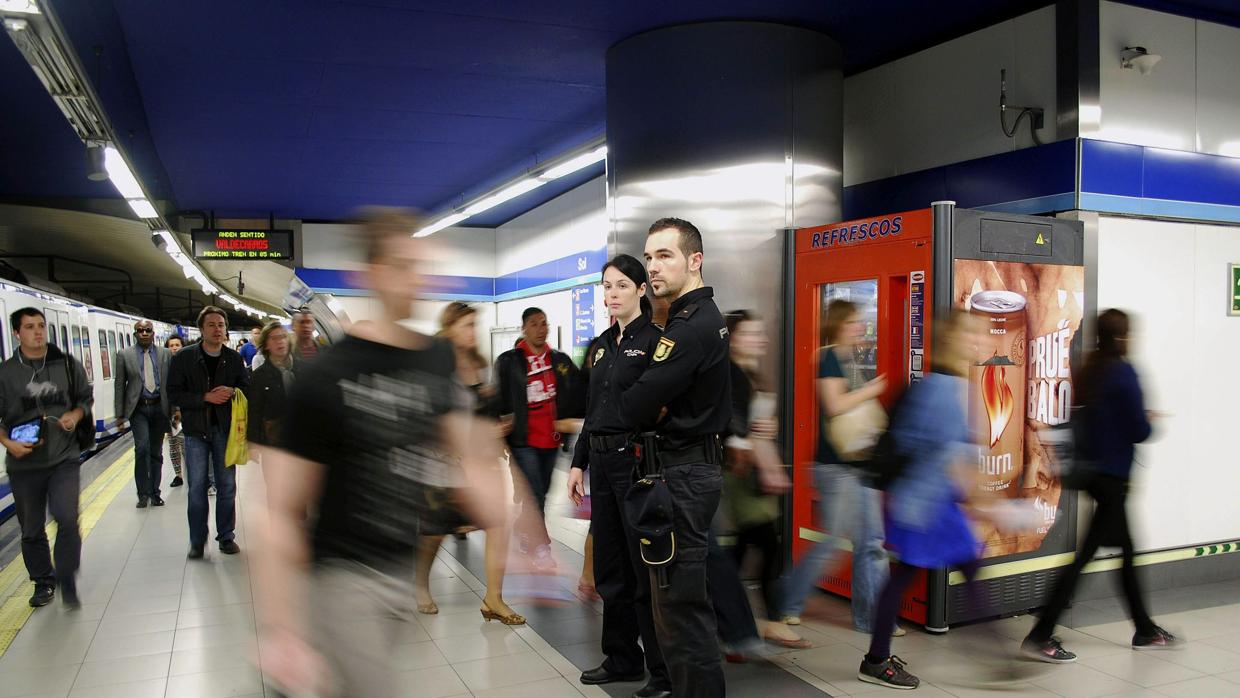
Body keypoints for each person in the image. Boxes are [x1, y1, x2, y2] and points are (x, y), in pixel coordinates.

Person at [254, 208, 507, 697]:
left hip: (397, 564)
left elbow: (465, 443)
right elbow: (281, 509)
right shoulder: (326, 374)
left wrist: (521, 526)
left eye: (420, 264)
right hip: (341, 576)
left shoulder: (431, 358)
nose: (417, 277)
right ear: (369, 273)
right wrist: (281, 627)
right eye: (402, 264)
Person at [1021, 309, 1178, 663]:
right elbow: (1139, 430)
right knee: (1087, 559)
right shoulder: (1124, 372)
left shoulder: (1091, 370)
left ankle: (1145, 629)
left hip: (1094, 477)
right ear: (1124, 337)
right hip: (1112, 481)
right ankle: (1042, 633)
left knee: (1123, 553)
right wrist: (1149, 421)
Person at [616, 217, 731, 697]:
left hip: (684, 473)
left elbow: (634, 404)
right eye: (648, 257)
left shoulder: (690, 328)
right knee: (673, 607)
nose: (653, 267)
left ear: (694, 260)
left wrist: (646, 400)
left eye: (664, 255)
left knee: (682, 612)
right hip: (683, 468)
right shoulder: (691, 320)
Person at [857, 312, 985, 689]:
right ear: (951, 341)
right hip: (926, 506)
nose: (977, 340)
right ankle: (999, 660)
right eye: (969, 333)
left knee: (906, 578)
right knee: (964, 572)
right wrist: (983, 501)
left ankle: (877, 658)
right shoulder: (945, 391)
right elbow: (952, 459)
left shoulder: (937, 384)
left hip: (918, 501)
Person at [566, 254, 671, 698]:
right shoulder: (602, 345)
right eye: (606, 286)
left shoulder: (654, 342)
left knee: (642, 567)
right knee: (610, 566)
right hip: (604, 466)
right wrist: (578, 462)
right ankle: (621, 657)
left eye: (621, 286)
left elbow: (663, 407)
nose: (611, 295)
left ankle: (661, 670)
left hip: (635, 463)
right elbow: (593, 413)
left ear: (641, 290)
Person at [779, 299, 893, 635]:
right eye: (854, 321)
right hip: (835, 467)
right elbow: (834, 405)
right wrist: (872, 390)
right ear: (839, 324)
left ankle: (872, 618)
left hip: (857, 465)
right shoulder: (828, 356)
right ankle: (787, 603)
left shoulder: (847, 357)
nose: (860, 327)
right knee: (831, 543)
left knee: (871, 541)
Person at [415, 301, 524, 625]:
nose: (471, 332)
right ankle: (420, 584)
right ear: (448, 329)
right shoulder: (435, 369)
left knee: (498, 525)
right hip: (441, 465)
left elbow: (488, 410)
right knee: (433, 534)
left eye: (474, 325)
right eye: (465, 326)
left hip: (480, 465)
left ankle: (494, 598)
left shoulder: (481, 365)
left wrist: (499, 433)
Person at [0, 307, 92, 608]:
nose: (37, 332)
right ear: (17, 332)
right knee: (31, 529)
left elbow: (84, 399)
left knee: (67, 517)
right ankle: (43, 581)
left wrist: (75, 416)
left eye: (41, 325)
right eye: (29, 327)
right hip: (23, 464)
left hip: (63, 458)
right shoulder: (5, 373)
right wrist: (8, 444)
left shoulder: (66, 365)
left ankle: (66, 575)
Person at [720, 310, 800, 649]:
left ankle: (725, 615)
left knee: (743, 547)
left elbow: (758, 425)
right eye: (753, 333)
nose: (761, 339)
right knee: (767, 543)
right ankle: (770, 620)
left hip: (754, 469)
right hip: (741, 472)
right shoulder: (730, 375)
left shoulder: (751, 374)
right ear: (734, 338)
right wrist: (765, 462)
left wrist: (768, 444)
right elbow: (735, 432)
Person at [496, 306, 582, 569]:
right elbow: (499, 398)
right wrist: (499, 431)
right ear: (524, 328)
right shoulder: (509, 361)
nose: (540, 328)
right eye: (534, 324)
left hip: (551, 440)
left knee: (541, 492)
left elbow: (577, 391)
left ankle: (524, 528)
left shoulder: (560, 360)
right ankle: (541, 547)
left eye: (544, 323)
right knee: (534, 495)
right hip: (523, 441)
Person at [167, 305, 249, 559]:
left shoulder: (234, 359)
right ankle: (197, 540)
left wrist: (233, 392)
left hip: (225, 431)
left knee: (227, 486)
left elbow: (247, 387)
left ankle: (226, 536)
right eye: (212, 325)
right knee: (197, 488)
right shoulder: (185, 357)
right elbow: (174, 392)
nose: (217, 329)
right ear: (201, 329)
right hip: (195, 432)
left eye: (221, 325)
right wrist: (205, 397)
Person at [113, 320, 173, 507]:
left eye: (148, 330)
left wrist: (176, 409)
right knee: (142, 448)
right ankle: (142, 493)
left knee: (156, 452)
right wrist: (120, 415)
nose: (144, 333)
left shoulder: (165, 354)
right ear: (135, 334)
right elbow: (119, 385)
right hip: (138, 408)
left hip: (159, 408)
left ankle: (155, 492)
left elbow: (171, 384)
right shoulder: (124, 355)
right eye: (140, 330)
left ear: (153, 333)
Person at [244, 321, 297, 451]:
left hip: (300, 439)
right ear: (266, 344)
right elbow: (255, 411)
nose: (280, 341)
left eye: (283, 336)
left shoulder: (301, 369)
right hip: (273, 441)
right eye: (274, 338)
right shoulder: (260, 375)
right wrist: (253, 442)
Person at [164, 335, 186, 488]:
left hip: (186, 409)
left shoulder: (187, 364)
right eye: (171, 345)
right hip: (170, 411)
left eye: (177, 344)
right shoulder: (164, 365)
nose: (174, 347)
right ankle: (178, 475)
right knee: (173, 444)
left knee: (185, 443)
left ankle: (191, 472)